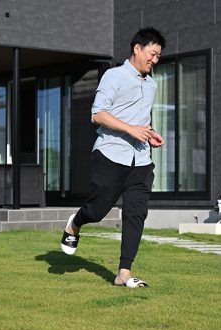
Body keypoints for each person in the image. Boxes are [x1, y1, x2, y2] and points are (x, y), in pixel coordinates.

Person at [60, 27, 166, 288]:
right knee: (98, 210)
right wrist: (131, 129)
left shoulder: (151, 85)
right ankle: (76, 223)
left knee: (136, 213)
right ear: (137, 49)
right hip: (110, 154)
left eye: (158, 56)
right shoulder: (114, 76)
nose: (155, 60)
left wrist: (150, 133)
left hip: (140, 160)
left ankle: (124, 273)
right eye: (152, 54)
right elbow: (98, 114)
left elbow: (140, 120)